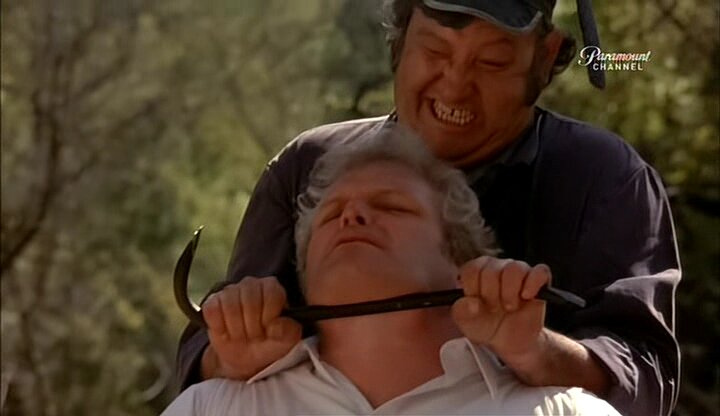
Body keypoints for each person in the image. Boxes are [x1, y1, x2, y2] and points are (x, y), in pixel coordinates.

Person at [176, 1, 681, 415]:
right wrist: (228, 354)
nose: (455, 84)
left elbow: (645, 377)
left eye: (491, 61)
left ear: (546, 58)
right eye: (435, 49)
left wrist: (534, 351)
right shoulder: (308, 166)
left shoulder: (601, 178)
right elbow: (203, 352)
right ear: (398, 41)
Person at [163, 130, 621, 415]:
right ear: (305, 276)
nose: (352, 215)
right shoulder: (213, 408)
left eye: (392, 206)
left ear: (462, 264)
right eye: (331, 215)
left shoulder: (562, 412)